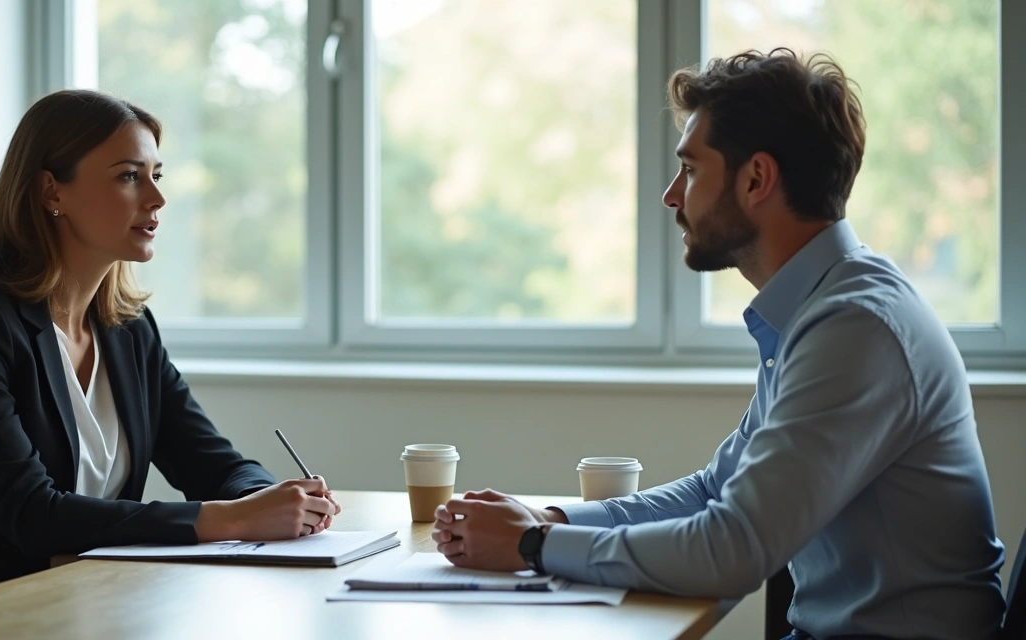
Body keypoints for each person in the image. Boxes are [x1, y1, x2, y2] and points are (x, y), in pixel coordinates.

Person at [431, 49, 1006, 639]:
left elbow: (733, 549)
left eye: (691, 169)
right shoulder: (820, 309)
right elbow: (716, 491)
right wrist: (549, 517)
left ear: (756, 178)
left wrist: (532, 544)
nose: (671, 196)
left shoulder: (855, 328)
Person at [0, 90, 339, 601]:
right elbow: (31, 515)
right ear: (51, 192)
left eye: (156, 175)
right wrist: (229, 518)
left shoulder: (129, 329)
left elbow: (213, 465)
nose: (156, 198)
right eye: (129, 176)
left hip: (88, 604)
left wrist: (269, 498)